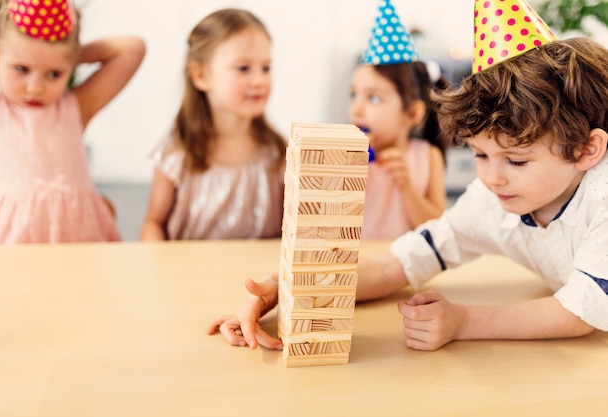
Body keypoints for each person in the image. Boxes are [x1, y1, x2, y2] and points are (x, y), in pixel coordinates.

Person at [207, 0, 608, 351]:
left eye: (516, 161)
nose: (493, 179)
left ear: (587, 150)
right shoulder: (491, 201)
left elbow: (578, 312)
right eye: (480, 154)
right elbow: (402, 261)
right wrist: (292, 285)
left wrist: (465, 322)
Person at [0, 0, 145, 244]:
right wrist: (46, 57)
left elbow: (133, 49)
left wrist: (65, 55)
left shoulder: (77, 106)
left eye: (54, 74)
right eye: (21, 69)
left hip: (79, 238)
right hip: (6, 243)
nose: (35, 87)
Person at [140, 8, 286, 241]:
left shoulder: (279, 153)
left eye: (266, 68)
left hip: (258, 276)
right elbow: (153, 223)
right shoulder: (177, 152)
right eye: (243, 68)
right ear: (201, 76)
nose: (259, 80)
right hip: (189, 274)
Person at [351, 0, 450, 238]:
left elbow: (436, 230)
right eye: (353, 94)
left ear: (412, 114)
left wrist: (406, 186)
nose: (357, 108)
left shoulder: (428, 157)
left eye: (374, 98)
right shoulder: (348, 158)